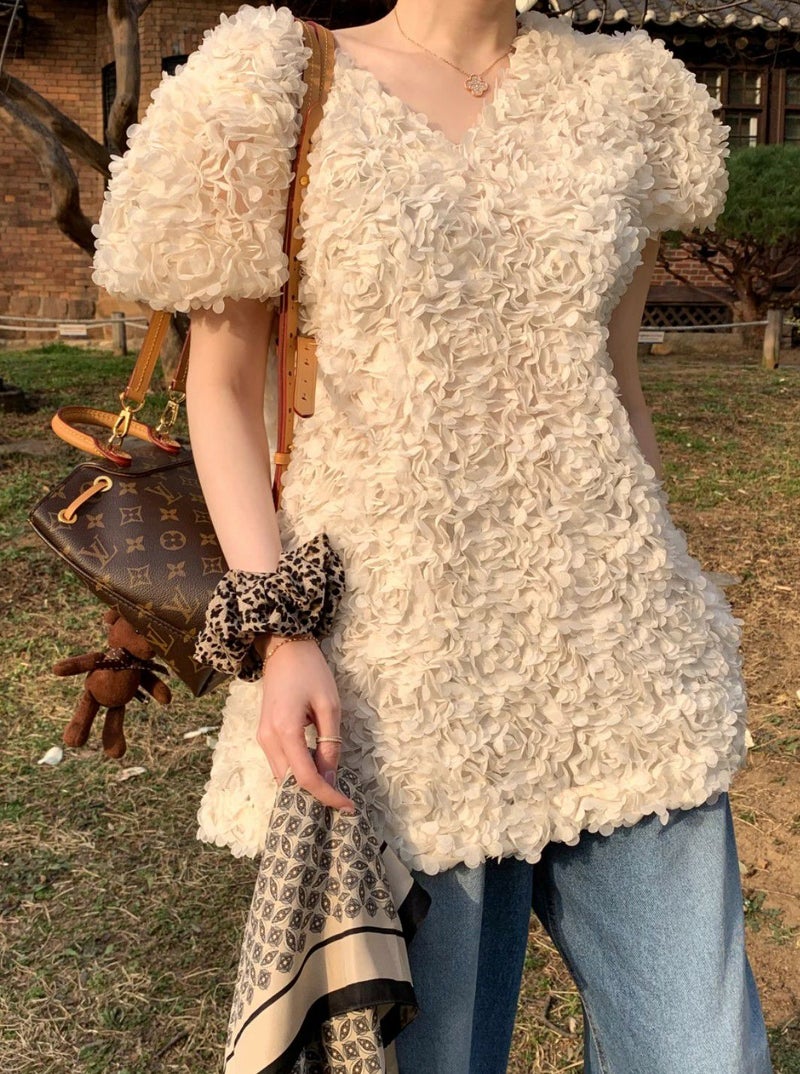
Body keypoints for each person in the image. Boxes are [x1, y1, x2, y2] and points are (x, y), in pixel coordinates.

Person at [91, 1, 774, 1071]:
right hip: (395, 674)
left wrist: (667, 570)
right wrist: (279, 633)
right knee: (434, 1052)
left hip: (625, 660)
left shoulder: (630, 95)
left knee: (702, 1052)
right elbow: (217, 389)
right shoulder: (275, 80)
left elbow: (613, 381)